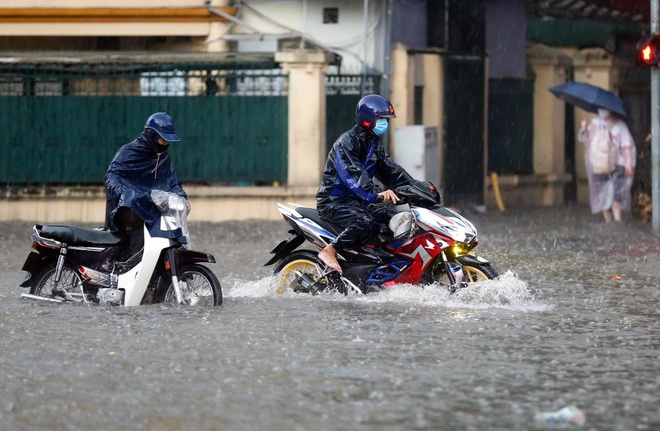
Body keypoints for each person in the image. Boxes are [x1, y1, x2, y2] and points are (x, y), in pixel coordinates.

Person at [316, 94, 417, 274]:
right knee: (364, 221)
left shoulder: (373, 144)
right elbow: (353, 175)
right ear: (368, 118)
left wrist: (417, 187)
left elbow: (391, 170)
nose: (384, 123)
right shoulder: (346, 143)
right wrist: (377, 193)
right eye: (381, 118)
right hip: (334, 201)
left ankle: (375, 264)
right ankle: (330, 251)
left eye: (386, 119)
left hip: (359, 201)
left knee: (393, 219)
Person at [105, 112, 187, 259]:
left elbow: (171, 182)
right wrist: (126, 194)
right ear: (152, 135)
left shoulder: (163, 158)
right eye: (163, 139)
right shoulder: (128, 152)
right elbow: (112, 178)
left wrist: (180, 196)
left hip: (154, 213)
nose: (165, 144)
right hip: (130, 214)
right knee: (135, 249)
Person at [578, 108, 636, 223]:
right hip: (600, 164)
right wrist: (584, 128)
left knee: (614, 194)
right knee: (604, 194)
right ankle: (611, 222)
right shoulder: (593, 124)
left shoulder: (619, 125)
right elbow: (584, 139)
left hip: (617, 164)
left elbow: (626, 146)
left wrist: (628, 163)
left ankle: (616, 221)